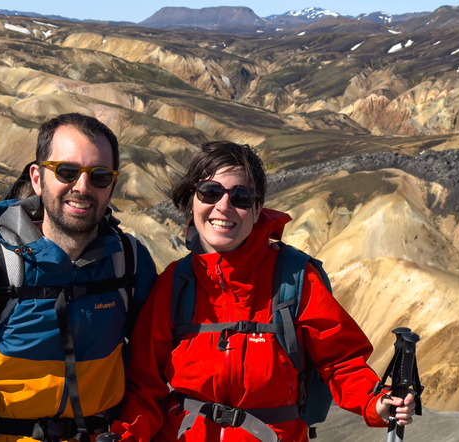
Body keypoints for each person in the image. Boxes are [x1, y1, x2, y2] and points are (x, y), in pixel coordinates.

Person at [109, 141, 415, 442]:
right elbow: (145, 386)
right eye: (209, 192)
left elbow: (340, 361)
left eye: (241, 197)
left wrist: (375, 403)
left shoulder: (295, 278)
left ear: (257, 210)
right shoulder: (175, 284)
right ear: (192, 200)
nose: (223, 206)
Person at [0, 113, 157, 442]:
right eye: (67, 172)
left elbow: (149, 374)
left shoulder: (130, 263)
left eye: (99, 177)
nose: (83, 187)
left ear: (112, 187)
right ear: (37, 178)